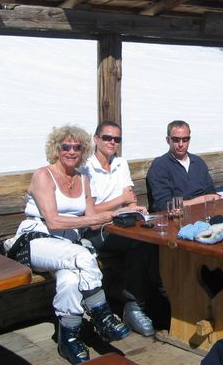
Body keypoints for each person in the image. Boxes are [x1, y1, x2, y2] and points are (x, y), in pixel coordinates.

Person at [4, 125, 132, 364]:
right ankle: (102, 315)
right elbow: (53, 220)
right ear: (56, 148)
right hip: (38, 240)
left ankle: (69, 338)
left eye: (77, 147)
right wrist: (92, 220)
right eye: (66, 146)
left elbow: (92, 218)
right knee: (83, 257)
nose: (71, 151)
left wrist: (121, 213)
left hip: (67, 244)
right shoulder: (44, 175)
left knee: (70, 279)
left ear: (83, 151)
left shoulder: (83, 178)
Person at [82, 120, 162, 337]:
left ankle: (155, 298)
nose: (112, 142)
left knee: (155, 236)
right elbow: (91, 211)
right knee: (139, 243)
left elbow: (130, 199)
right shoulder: (87, 168)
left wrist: (132, 206)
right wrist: (121, 201)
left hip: (122, 222)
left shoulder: (120, 163)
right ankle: (134, 306)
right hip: (97, 228)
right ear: (96, 139)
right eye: (107, 138)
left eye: (116, 139)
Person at [146, 120, 220, 211]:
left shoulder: (198, 162)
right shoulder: (160, 166)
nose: (181, 144)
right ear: (168, 140)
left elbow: (211, 194)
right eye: (176, 139)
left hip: (205, 213)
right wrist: (201, 200)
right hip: (177, 216)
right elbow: (163, 205)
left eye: (185, 139)